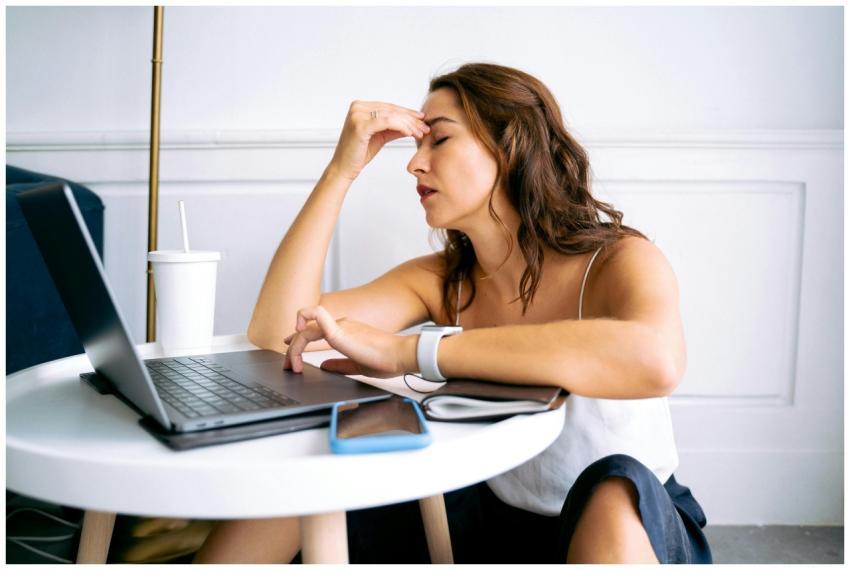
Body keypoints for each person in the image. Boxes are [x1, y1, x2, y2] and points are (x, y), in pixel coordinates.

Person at [194, 62, 712, 564]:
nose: (414, 163)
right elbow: (276, 332)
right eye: (417, 145)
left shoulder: (618, 258)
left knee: (610, 489)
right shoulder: (442, 278)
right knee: (304, 490)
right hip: (491, 522)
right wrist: (340, 171)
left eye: (438, 140)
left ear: (511, 146)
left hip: (634, 524)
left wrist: (409, 351)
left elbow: (656, 361)